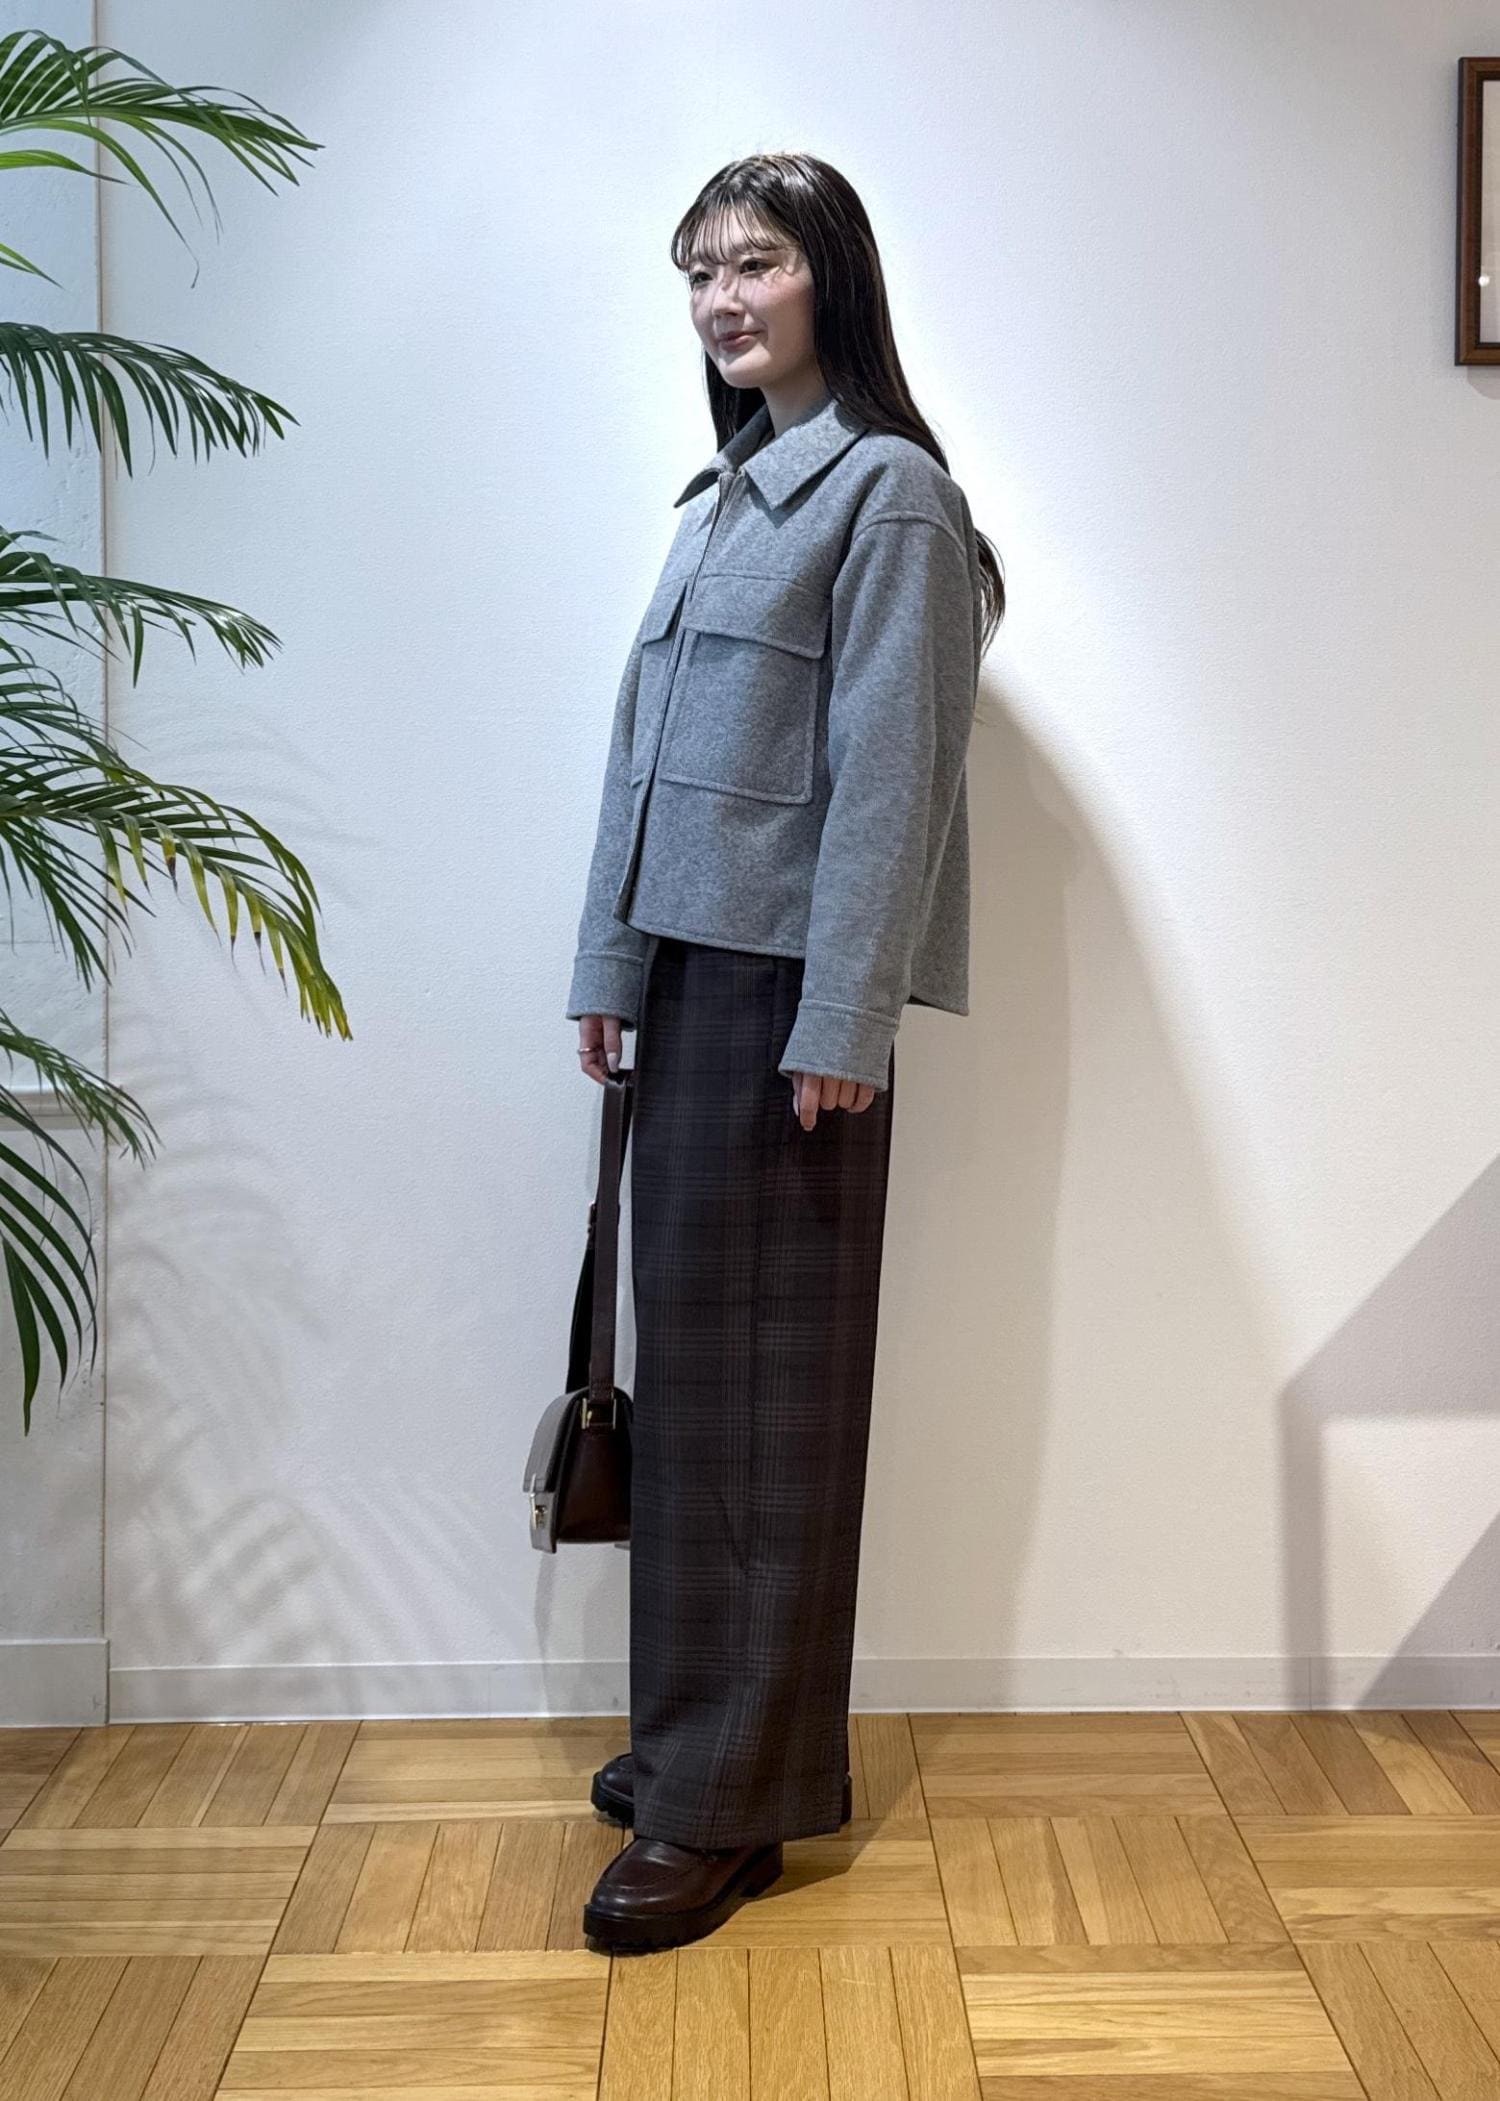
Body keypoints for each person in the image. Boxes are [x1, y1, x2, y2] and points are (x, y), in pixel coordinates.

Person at [563, 151, 1004, 1956]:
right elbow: (640, 756)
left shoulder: (889, 497)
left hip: (783, 1009)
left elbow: (893, 781)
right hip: (689, 987)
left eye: (754, 263)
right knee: (700, 1396)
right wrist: (609, 960)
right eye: (700, 273)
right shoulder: (722, 496)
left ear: (833, 276)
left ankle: (730, 1801)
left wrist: (845, 1016)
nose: (723, 300)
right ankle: (702, 1739)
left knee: (765, 1408)